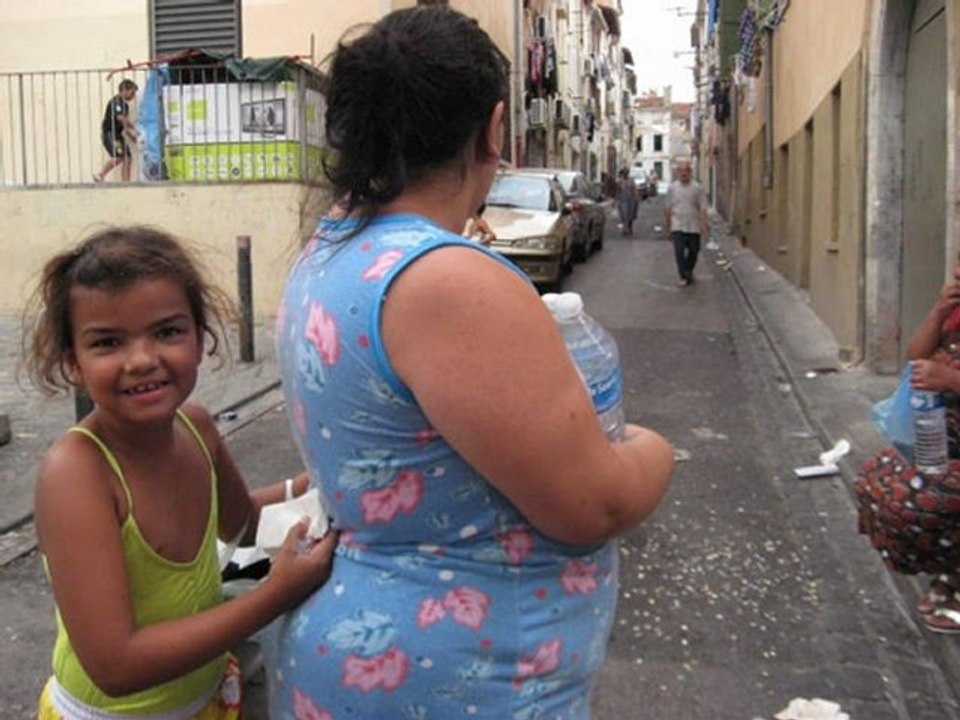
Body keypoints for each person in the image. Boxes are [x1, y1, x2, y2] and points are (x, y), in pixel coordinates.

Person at [268, 6, 675, 719]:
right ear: (493, 129)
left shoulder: (331, 251)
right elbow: (594, 504)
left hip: (375, 661)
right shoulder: (445, 280)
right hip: (459, 684)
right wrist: (652, 450)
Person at [22, 226, 338, 719]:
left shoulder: (196, 427)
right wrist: (277, 594)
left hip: (209, 698)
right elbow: (115, 665)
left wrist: (319, 480)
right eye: (108, 342)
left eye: (167, 332)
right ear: (74, 364)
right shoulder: (77, 475)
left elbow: (244, 523)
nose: (142, 360)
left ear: (200, 338)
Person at [855, 264, 960, 633]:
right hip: (945, 439)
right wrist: (939, 310)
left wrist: (952, 380)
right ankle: (949, 573)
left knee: (917, 503)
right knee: (877, 480)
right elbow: (915, 358)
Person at [664, 159, 709, 286]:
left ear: (690, 172)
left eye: (686, 171)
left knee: (694, 251)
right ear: (678, 172)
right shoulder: (672, 188)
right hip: (677, 224)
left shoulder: (697, 188)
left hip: (693, 224)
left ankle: (688, 271)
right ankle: (684, 276)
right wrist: (668, 228)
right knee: (679, 251)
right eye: (681, 171)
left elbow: (703, 207)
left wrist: (704, 224)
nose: (683, 173)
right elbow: (667, 208)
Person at [94, 79, 139, 183]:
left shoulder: (125, 105)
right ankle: (100, 175)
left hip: (118, 135)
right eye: (132, 93)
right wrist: (129, 132)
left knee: (127, 158)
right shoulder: (116, 101)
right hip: (110, 134)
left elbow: (125, 120)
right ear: (124, 90)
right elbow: (120, 118)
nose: (133, 96)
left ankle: (126, 182)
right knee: (119, 156)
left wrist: (134, 128)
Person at [616, 167, 638, 236]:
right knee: (624, 215)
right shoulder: (620, 181)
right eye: (624, 172)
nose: (626, 174)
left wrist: (636, 197)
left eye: (627, 172)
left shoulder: (631, 180)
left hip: (631, 200)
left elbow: (634, 189)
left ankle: (630, 227)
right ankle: (625, 229)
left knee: (631, 215)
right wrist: (617, 199)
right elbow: (618, 190)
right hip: (623, 200)